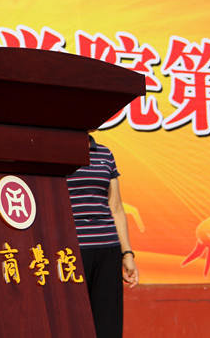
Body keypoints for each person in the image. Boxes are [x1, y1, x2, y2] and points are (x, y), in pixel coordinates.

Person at [66, 135, 139, 338]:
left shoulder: (105, 154)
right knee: (71, 322)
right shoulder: (58, 152)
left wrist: (127, 254)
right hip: (70, 251)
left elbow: (116, 208)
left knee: (107, 324)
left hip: (107, 249)